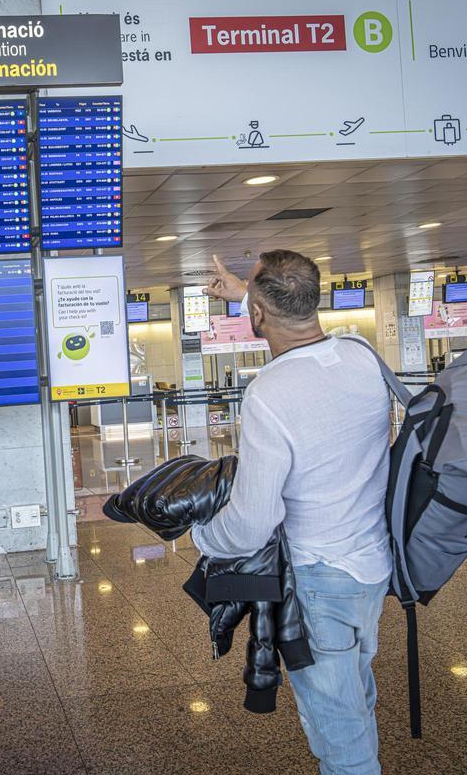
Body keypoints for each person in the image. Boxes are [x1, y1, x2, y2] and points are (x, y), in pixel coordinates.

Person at [195, 250, 393, 775]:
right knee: (355, 700)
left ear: (258, 315)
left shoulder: (270, 393)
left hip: (318, 581)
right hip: (371, 568)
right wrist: (248, 294)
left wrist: (203, 537)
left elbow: (252, 522)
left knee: (340, 737)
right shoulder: (361, 355)